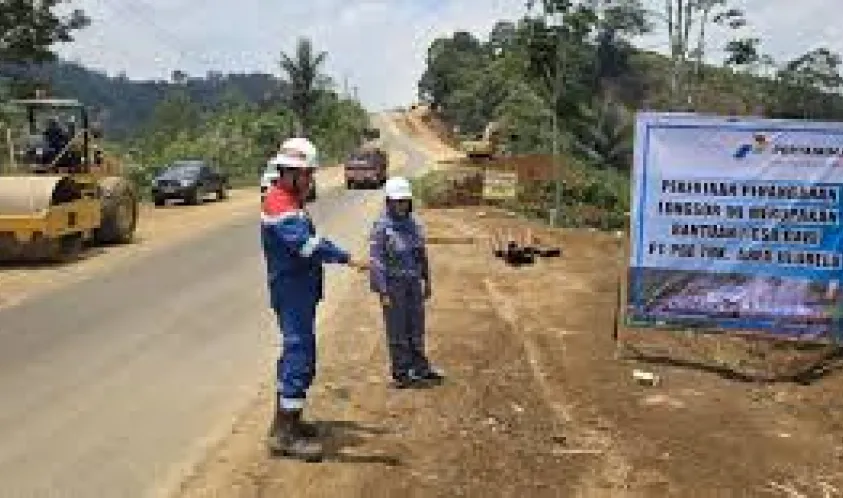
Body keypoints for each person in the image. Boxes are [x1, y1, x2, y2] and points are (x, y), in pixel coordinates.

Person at [261, 152, 368, 461]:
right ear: (289, 173)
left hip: (297, 290)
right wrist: (348, 258)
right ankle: (284, 436)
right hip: (292, 291)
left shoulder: (288, 201)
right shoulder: (280, 206)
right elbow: (308, 246)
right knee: (299, 355)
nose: (310, 181)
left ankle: (287, 421)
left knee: (297, 354)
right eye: (306, 174)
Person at [369, 176, 444, 389]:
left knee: (416, 326)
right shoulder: (382, 228)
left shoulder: (414, 224)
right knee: (397, 329)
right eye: (397, 202)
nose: (401, 205)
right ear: (389, 202)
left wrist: (427, 280)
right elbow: (377, 261)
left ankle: (420, 368)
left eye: (404, 201)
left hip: (413, 282)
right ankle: (402, 372)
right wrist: (383, 291)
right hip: (393, 285)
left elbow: (421, 254)